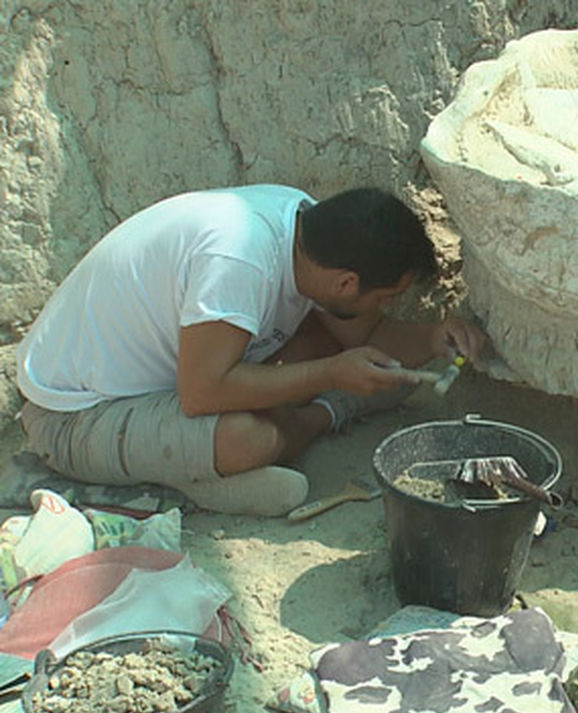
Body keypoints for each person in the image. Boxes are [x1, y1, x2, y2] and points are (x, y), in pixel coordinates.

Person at [16, 185, 485, 516]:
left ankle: (268, 437)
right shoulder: (239, 261)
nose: (385, 308)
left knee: (334, 347)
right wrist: (330, 379)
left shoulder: (303, 229)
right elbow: (201, 393)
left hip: (173, 382)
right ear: (346, 282)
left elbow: (360, 335)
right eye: (384, 297)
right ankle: (207, 474)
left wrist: (430, 339)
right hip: (73, 418)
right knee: (248, 437)